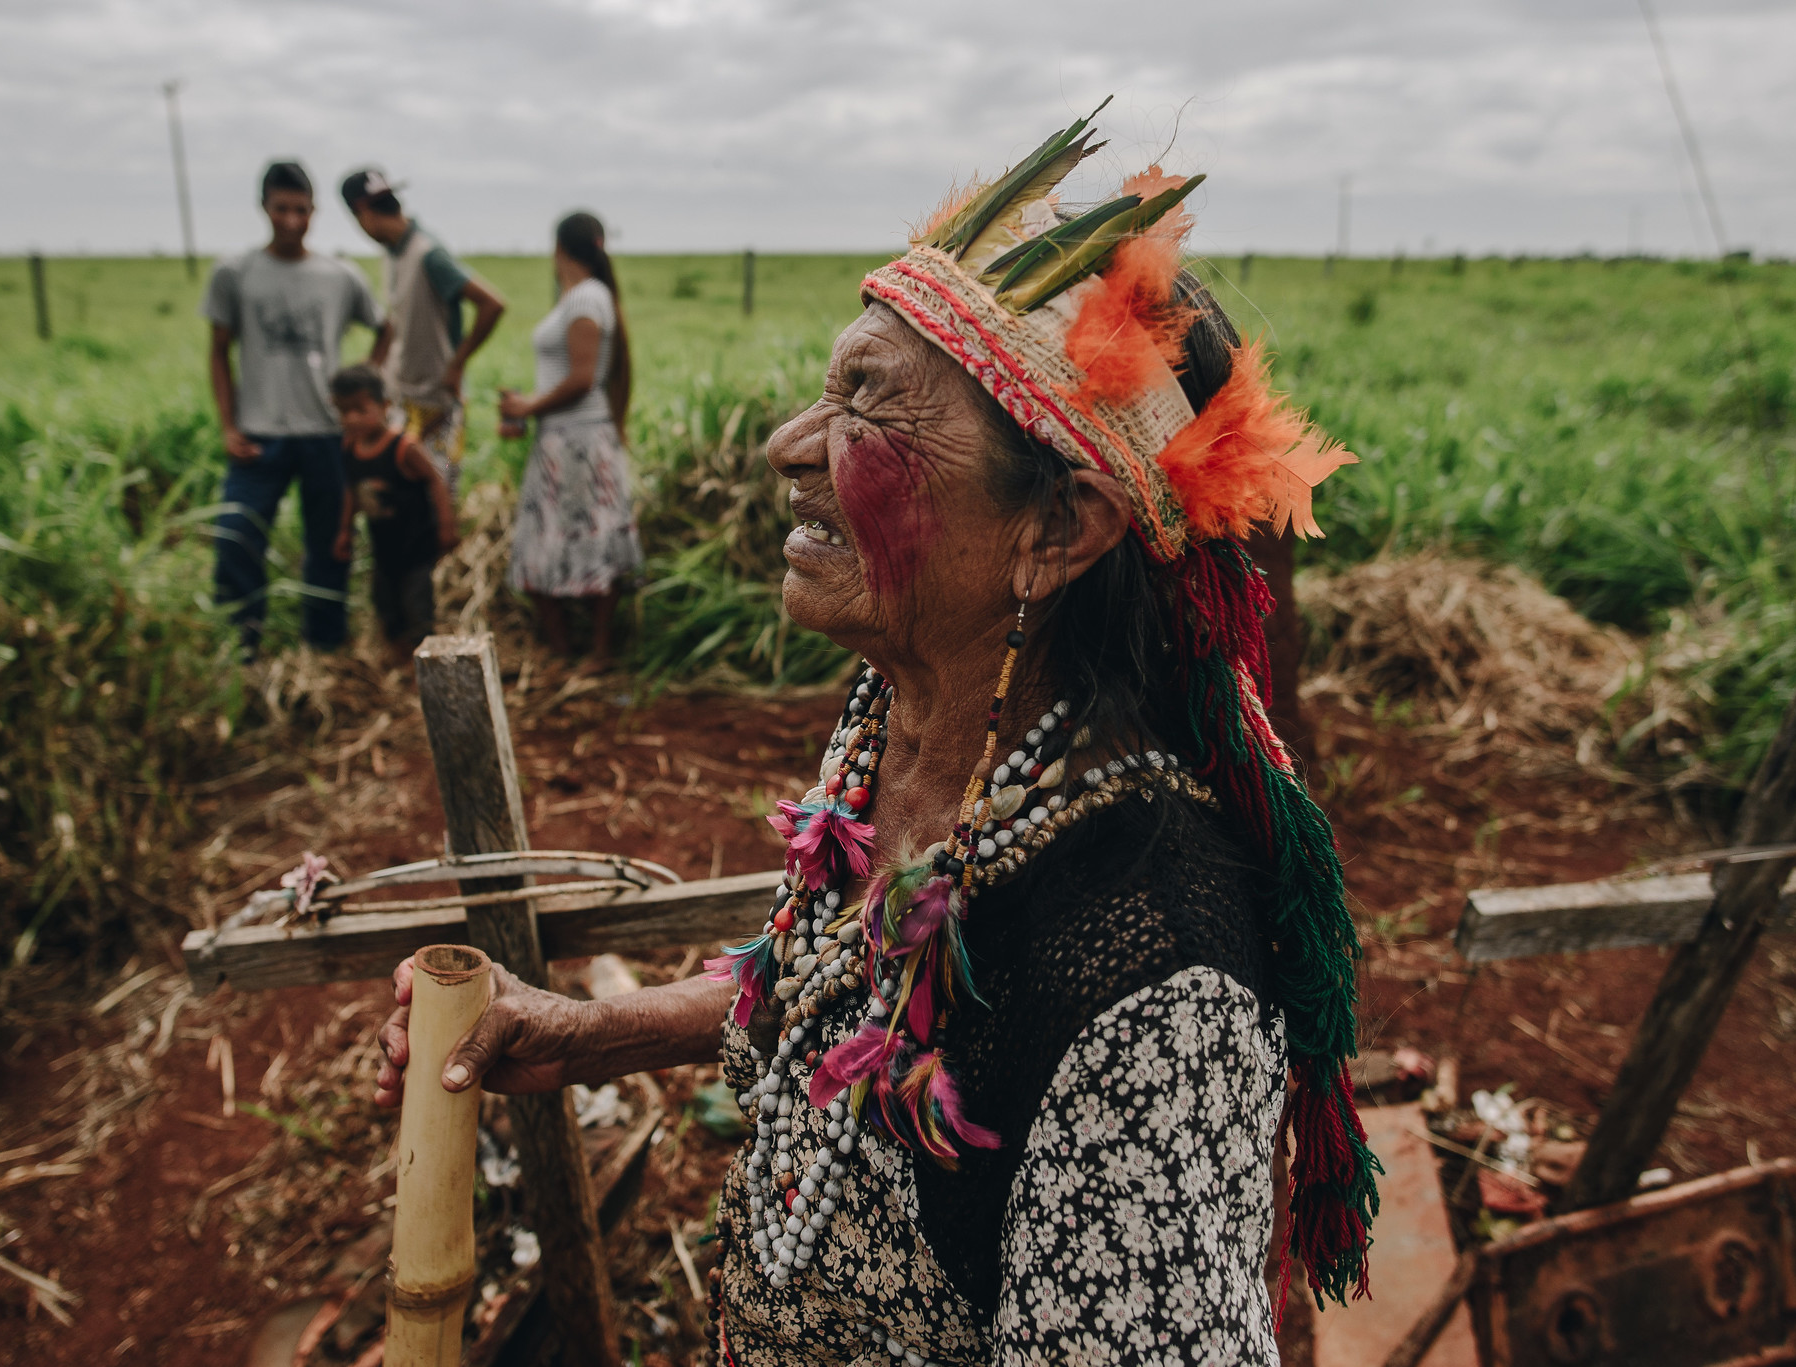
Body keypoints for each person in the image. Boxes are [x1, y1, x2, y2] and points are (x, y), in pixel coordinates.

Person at [378, 104, 1372, 1366]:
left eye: (866, 405)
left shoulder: (1153, 980)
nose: (788, 446)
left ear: (1054, 531)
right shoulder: (902, 715)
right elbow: (837, 984)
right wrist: (578, 1031)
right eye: (827, 386)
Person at [202, 159, 383, 655]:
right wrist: (228, 425)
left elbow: (384, 327)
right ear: (264, 207)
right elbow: (218, 351)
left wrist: (363, 391)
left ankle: (325, 648)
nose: (291, 220)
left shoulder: (339, 275)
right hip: (259, 433)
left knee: (330, 544)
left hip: (326, 433)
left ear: (314, 211)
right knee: (235, 535)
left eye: (301, 210)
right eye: (281, 209)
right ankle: (242, 646)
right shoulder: (235, 272)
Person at [497, 211, 642, 667]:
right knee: (568, 535)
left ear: (558, 247)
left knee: (580, 536)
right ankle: (569, 650)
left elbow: (582, 379)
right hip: (567, 437)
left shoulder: (584, 299)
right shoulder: (588, 297)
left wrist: (528, 407)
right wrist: (531, 408)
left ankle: (593, 651)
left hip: (578, 441)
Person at [339, 167, 507, 497]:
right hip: (401, 397)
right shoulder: (392, 253)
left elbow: (492, 304)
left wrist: (457, 364)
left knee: (436, 495)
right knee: (397, 495)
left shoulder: (427, 254)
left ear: (364, 214)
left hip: (437, 402)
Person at [328, 363, 459, 660]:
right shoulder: (349, 448)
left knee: (417, 603)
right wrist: (344, 531)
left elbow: (436, 481)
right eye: (343, 411)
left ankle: (424, 661)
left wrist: (446, 525)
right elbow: (351, 491)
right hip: (384, 548)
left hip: (416, 546)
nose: (351, 419)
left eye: (360, 410)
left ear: (385, 406)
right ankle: (400, 659)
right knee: (385, 603)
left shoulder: (404, 448)